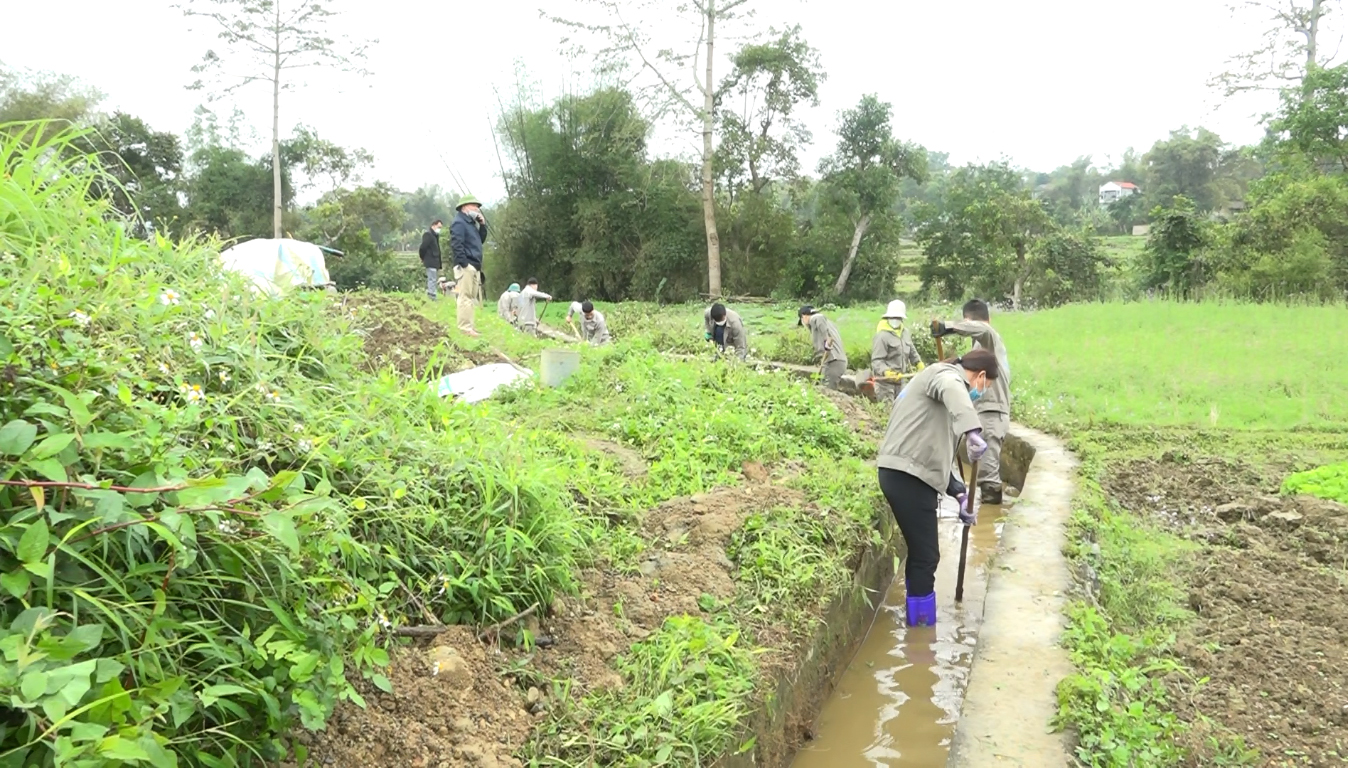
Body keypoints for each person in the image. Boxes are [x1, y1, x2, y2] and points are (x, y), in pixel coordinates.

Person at [877, 348, 998, 627]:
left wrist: (958, 490)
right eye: (985, 386)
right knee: (927, 555)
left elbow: (932, 453)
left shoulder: (932, 383)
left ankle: (914, 614)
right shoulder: (944, 376)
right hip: (907, 476)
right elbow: (952, 388)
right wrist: (972, 430)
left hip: (906, 473)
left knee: (921, 553)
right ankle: (921, 631)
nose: (980, 392)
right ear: (980, 376)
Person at [931, 299, 1012, 505]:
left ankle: (989, 524)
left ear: (968, 321)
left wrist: (948, 327)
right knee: (980, 471)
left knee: (988, 475)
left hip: (991, 413)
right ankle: (981, 521)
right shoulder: (977, 348)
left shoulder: (989, 339)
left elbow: (982, 329)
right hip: (980, 412)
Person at [450, 195, 488, 337]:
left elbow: (480, 240)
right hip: (467, 265)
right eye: (475, 206)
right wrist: (464, 264)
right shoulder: (459, 223)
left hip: (474, 265)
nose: (478, 210)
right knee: (464, 297)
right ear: (465, 207)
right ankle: (465, 328)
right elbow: (456, 244)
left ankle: (470, 327)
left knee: (471, 298)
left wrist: (482, 225)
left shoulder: (470, 223)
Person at [870, 300, 923, 402]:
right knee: (888, 411)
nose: (895, 320)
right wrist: (886, 372)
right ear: (888, 318)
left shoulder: (905, 333)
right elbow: (876, 361)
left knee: (902, 408)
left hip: (901, 381)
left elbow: (912, 350)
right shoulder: (882, 336)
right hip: (885, 384)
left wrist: (919, 363)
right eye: (893, 317)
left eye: (898, 318)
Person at [798, 305, 846, 389]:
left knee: (827, 391)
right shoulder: (829, 324)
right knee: (823, 387)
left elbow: (818, 318)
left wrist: (826, 339)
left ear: (803, 316)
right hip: (832, 361)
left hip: (834, 361)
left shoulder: (815, 318)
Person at [418, 219, 444, 300]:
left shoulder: (435, 236)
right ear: (434, 225)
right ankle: (431, 296)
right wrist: (422, 257)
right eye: (439, 227)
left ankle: (432, 294)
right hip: (430, 260)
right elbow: (423, 247)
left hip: (435, 261)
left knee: (433, 278)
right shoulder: (428, 235)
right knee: (432, 279)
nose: (439, 229)